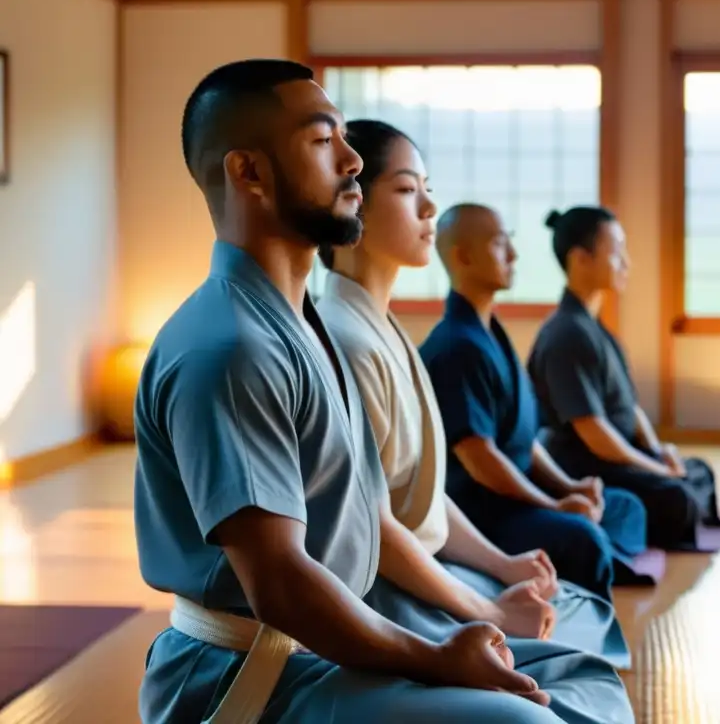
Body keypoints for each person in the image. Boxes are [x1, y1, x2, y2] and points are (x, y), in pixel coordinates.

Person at [133, 60, 635, 724]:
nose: (350, 163)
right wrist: (439, 655)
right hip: (253, 676)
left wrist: (470, 621)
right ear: (248, 172)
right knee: (529, 718)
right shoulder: (231, 348)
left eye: (346, 139)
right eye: (322, 141)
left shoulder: (302, 326)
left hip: (330, 642)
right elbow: (281, 587)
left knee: (576, 673)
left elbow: (366, 511)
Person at [315, 119, 631, 669]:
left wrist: (504, 565)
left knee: (581, 623)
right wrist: (492, 605)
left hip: (433, 561)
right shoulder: (348, 338)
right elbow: (378, 528)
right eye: (409, 190)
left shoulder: (386, 332)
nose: (429, 210)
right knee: (579, 665)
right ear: (350, 202)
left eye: (428, 191)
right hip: (384, 596)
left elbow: (421, 496)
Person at [418, 202, 651, 603]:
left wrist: (570, 487)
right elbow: (481, 461)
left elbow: (525, 441)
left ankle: (594, 559)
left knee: (626, 506)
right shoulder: (457, 346)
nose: (513, 253)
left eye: (509, 240)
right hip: (483, 513)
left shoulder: (492, 334)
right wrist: (556, 505)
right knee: (584, 538)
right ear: (462, 256)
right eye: (498, 242)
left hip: (522, 496)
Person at [527, 205, 720, 552]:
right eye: (616, 253)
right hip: (589, 466)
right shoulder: (566, 334)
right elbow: (595, 435)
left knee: (700, 471)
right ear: (581, 259)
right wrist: (655, 469)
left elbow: (628, 407)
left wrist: (658, 451)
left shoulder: (592, 327)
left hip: (622, 457)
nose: (626, 263)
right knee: (676, 496)